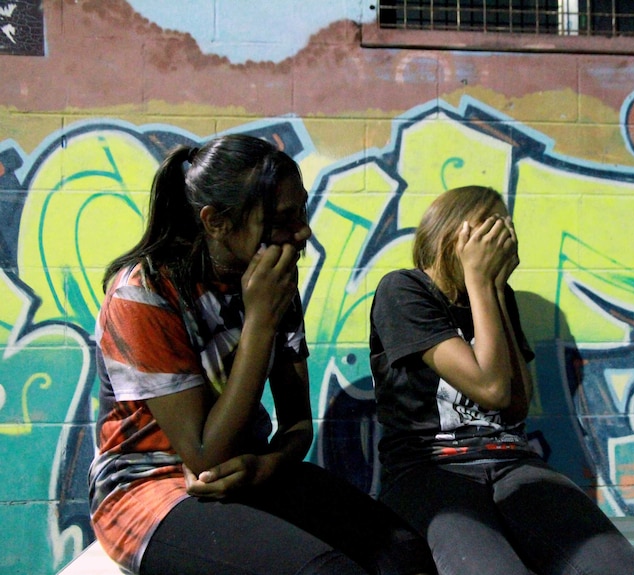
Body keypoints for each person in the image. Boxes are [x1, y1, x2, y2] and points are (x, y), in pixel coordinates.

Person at [88, 134, 436, 575]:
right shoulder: (144, 294)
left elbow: (297, 425)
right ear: (215, 222)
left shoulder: (272, 282)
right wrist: (259, 323)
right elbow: (203, 454)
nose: (303, 231)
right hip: (148, 490)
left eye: (302, 211)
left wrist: (266, 466)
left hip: (246, 471)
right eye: (282, 220)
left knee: (406, 553)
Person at [369, 185, 634, 575]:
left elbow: (515, 403)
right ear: (454, 233)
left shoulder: (496, 295)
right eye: (491, 229)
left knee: (618, 567)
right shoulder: (403, 289)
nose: (502, 238)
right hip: (430, 468)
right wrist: (480, 280)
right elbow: (490, 387)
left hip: (511, 461)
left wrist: (496, 292)